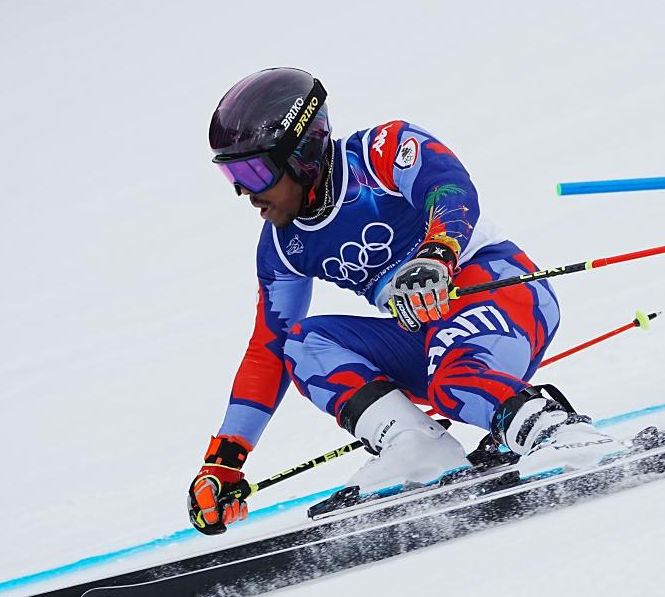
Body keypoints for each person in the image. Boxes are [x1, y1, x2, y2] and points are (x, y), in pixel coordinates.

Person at [187, 68, 624, 535]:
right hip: (428, 333)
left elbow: (450, 186)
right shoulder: (282, 245)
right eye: (231, 175)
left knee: (453, 378)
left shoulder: (378, 153)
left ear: (303, 154)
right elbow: (266, 350)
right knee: (301, 344)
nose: (244, 192)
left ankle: (560, 432)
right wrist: (225, 459)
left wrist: (437, 253)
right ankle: (414, 446)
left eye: (252, 172)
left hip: (502, 293)